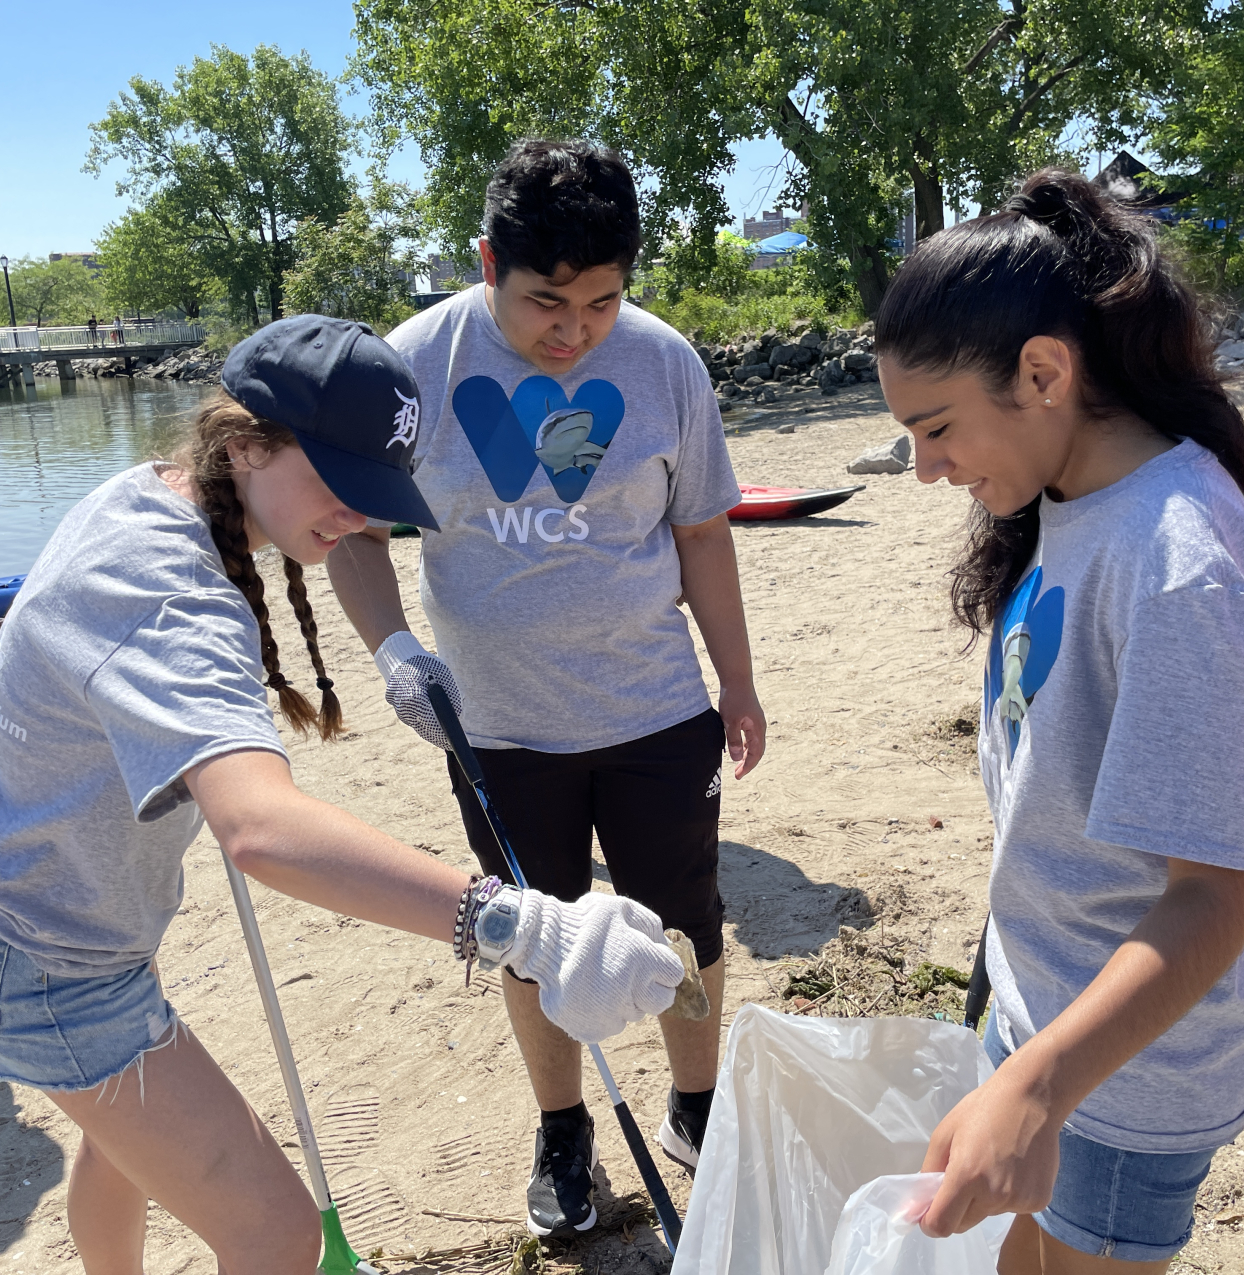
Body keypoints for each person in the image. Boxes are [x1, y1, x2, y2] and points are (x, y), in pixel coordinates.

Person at [0, 315, 687, 1275]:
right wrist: (520, 927)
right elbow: (260, 828)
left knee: (118, 1138)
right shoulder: (168, 589)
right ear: (243, 444)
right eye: (340, 483)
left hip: (76, 924)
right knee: (278, 1238)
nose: (357, 519)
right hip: (44, 951)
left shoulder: (155, 496)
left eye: (378, 494)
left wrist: (393, 647)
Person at [327, 138, 766, 1238]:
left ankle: (698, 1106)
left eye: (603, 302)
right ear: (486, 263)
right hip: (499, 728)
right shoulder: (412, 366)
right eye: (546, 305)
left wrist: (739, 678)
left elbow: (704, 533)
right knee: (530, 934)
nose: (574, 333)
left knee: (686, 923)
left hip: (656, 710)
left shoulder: (664, 364)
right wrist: (390, 652)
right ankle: (561, 1127)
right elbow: (347, 533)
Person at [875, 170, 1244, 1274]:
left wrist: (1039, 1084)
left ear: (1044, 372)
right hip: (1044, 1013)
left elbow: (1215, 899)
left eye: (937, 428)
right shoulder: (1068, 499)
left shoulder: (1178, 563)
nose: (924, 469)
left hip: (1124, 1074)